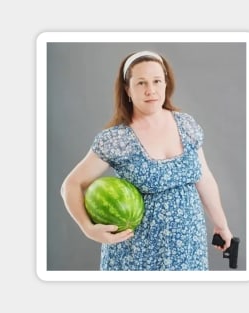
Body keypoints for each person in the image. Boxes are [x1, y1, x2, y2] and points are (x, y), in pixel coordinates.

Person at [61, 50, 233, 271]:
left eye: (156, 81)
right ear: (127, 90)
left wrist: (222, 225)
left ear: (165, 84)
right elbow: (71, 185)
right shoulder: (116, 139)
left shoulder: (187, 125)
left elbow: (205, 178)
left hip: (189, 248)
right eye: (141, 83)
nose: (150, 90)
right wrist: (88, 228)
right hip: (136, 254)